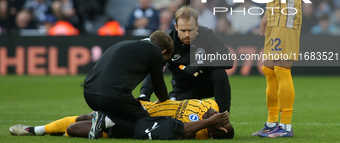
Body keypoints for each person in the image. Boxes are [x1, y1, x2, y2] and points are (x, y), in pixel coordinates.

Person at [253, 0, 305, 138]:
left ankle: (286, 126)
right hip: (274, 15)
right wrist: (266, 13)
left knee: (282, 69)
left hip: (289, 14)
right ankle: (271, 121)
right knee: (268, 70)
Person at [140, 6, 233, 113]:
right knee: (172, 119)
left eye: (190, 30)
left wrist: (200, 64)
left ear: (197, 26)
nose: (187, 35)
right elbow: (155, 69)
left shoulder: (206, 34)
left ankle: (223, 118)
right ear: (176, 27)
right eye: (183, 30)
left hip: (207, 85)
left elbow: (228, 59)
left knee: (219, 73)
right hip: (183, 90)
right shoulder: (168, 41)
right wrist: (144, 94)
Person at [83, 30, 174, 139]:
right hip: (112, 96)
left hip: (89, 94)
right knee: (149, 125)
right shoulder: (155, 51)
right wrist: (165, 100)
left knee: (127, 119)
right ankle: (105, 120)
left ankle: (103, 121)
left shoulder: (123, 44)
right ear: (163, 52)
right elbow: (158, 84)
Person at [9, 99, 233, 139]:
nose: (218, 115)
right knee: (88, 115)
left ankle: (60, 131)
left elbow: (180, 129)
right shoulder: (210, 105)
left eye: (221, 121)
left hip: (138, 124)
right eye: (222, 116)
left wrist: (209, 122)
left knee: (76, 129)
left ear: (217, 130)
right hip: (141, 107)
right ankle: (35, 130)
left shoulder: (201, 132)